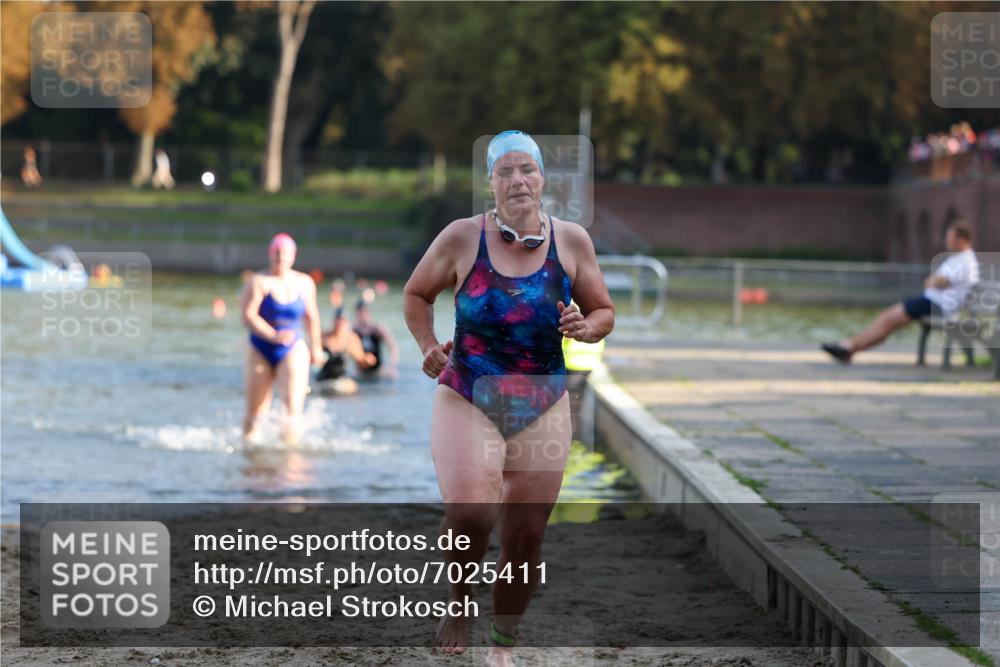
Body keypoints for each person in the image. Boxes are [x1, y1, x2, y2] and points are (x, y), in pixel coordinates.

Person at [403, 130, 614, 664]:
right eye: (505, 171)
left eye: (528, 170)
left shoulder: (571, 241)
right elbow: (416, 294)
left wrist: (587, 328)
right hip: (469, 391)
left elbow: (603, 310)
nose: (517, 180)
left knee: (526, 537)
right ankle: (458, 602)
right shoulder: (460, 238)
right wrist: (429, 346)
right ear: (490, 182)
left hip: (542, 401)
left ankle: (503, 642)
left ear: (543, 179)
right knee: (471, 512)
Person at [822, 219, 979, 363]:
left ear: (961, 239)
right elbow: (935, 281)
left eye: (949, 238)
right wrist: (933, 281)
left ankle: (848, 347)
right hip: (931, 302)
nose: (946, 241)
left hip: (935, 305)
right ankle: (849, 347)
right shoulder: (960, 258)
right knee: (887, 320)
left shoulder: (964, 260)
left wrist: (933, 281)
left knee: (887, 319)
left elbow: (939, 281)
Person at [240, 233, 323, 444]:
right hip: (261, 347)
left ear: (293, 256)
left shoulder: (304, 283)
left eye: (285, 253)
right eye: (277, 253)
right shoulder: (259, 282)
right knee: (254, 414)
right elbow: (248, 316)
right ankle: (252, 456)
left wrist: (316, 347)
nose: (281, 258)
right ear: (270, 254)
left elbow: (312, 317)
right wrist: (273, 335)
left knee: (292, 409)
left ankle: (289, 458)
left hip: (293, 347)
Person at [315, 307, 377, 395]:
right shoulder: (324, 337)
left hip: (342, 380)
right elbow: (312, 356)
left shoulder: (351, 339)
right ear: (334, 320)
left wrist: (368, 360)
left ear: (347, 322)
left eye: (343, 320)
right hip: (324, 379)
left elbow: (360, 360)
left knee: (353, 389)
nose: (340, 323)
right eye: (338, 320)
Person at [353, 299, 399, 379]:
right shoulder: (354, 329)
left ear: (368, 312)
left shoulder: (377, 328)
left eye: (364, 312)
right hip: (360, 372)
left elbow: (393, 347)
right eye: (359, 313)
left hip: (378, 372)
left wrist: (392, 367)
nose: (362, 315)